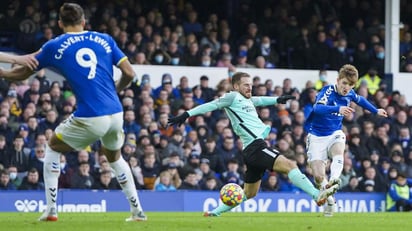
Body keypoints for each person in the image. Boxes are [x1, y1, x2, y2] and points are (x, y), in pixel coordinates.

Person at [0, 3, 146, 222]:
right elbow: (129, 72)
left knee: (52, 146)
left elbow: (23, 72)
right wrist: (116, 89)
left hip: (91, 114)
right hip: (116, 113)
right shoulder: (105, 39)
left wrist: (3, 72)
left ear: (60, 23)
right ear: (84, 21)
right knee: (115, 158)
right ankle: (137, 212)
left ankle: (51, 209)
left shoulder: (55, 45)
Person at [168, 72, 339, 217]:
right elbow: (210, 106)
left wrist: (277, 99)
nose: (250, 87)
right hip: (256, 147)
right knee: (290, 165)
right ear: (235, 86)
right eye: (245, 85)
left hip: (251, 150)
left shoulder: (247, 100)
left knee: (250, 193)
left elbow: (260, 100)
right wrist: (187, 114)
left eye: (250, 85)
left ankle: (215, 212)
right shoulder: (232, 97)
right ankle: (317, 195)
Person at [304, 64, 388, 217]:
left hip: (335, 133)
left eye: (350, 85)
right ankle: (330, 201)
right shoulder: (328, 90)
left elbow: (361, 99)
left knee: (339, 149)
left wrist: (376, 110)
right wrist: (337, 109)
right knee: (318, 177)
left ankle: (335, 180)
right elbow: (317, 108)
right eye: (344, 83)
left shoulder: (350, 94)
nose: (346, 88)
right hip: (316, 136)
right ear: (338, 80)